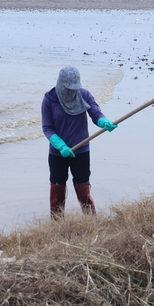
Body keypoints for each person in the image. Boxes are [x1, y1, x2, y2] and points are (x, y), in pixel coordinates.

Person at [41, 66, 118, 219]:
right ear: (61, 84)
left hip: (81, 151)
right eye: (69, 89)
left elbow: (95, 113)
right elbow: (47, 128)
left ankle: (90, 221)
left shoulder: (84, 95)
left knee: (83, 188)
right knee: (57, 189)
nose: (72, 92)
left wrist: (103, 121)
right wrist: (61, 145)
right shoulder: (49, 100)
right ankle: (57, 223)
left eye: (75, 88)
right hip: (58, 153)